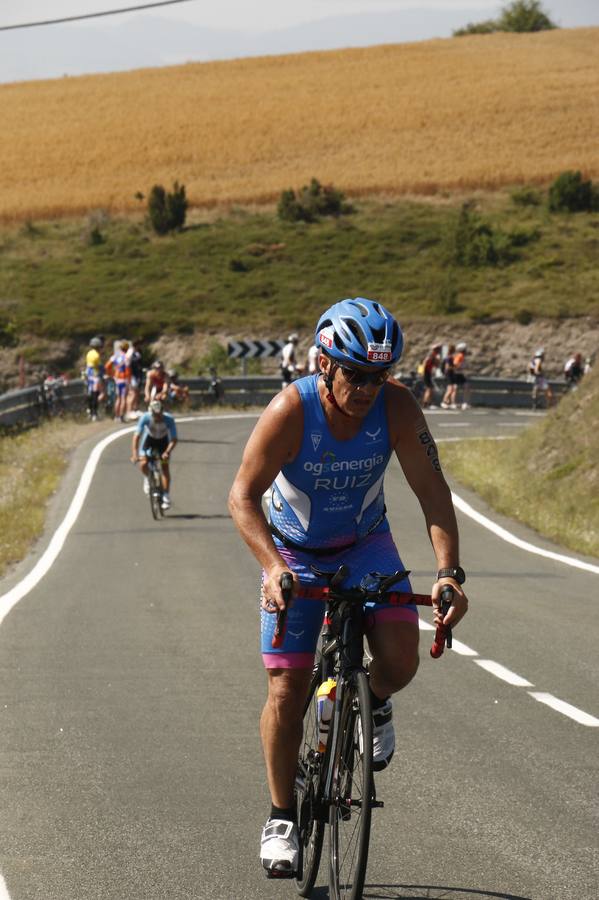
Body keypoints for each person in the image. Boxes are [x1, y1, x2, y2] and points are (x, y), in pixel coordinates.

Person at [228, 297, 468, 878]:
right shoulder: (291, 410)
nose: (367, 388)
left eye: (378, 375)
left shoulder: (398, 408)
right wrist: (270, 567)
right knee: (287, 691)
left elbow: (433, 494)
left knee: (401, 659)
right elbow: (242, 497)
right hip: (295, 555)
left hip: (365, 544)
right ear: (323, 366)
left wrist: (448, 574)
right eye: (355, 374)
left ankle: (373, 702)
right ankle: (282, 815)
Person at [131, 399, 178, 510]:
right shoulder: (145, 418)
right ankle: (148, 477)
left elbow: (174, 439)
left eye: (159, 415)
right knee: (143, 463)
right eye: (155, 416)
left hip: (163, 443)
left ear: (162, 412)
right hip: (149, 441)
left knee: (164, 466)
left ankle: (166, 495)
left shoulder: (169, 419)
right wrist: (134, 454)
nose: (157, 418)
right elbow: (136, 436)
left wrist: (167, 452)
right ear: (151, 413)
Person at [107, 340, 131, 422]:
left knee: (118, 398)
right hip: (124, 378)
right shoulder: (126, 357)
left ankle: (116, 416)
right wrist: (129, 379)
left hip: (117, 379)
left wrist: (111, 374)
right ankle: (121, 415)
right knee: (123, 398)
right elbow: (128, 369)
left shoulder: (115, 356)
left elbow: (107, 366)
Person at [85, 336, 105, 422]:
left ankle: (90, 410)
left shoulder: (89, 353)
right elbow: (99, 366)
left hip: (88, 374)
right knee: (95, 394)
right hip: (95, 374)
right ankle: (94, 413)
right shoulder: (97, 355)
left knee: (90, 393)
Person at [126, 339, 144, 418]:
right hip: (132, 375)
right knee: (132, 393)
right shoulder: (130, 352)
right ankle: (129, 411)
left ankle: (135, 409)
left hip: (138, 375)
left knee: (137, 393)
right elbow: (128, 364)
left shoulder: (138, 352)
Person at [421, 343, 441, 408]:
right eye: (437, 349)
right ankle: (426, 403)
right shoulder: (431, 355)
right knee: (429, 389)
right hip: (426, 373)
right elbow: (425, 362)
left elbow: (436, 365)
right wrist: (423, 372)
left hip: (428, 373)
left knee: (430, 389)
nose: (439, 350)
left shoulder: (434, 355)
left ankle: (427, 403)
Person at [453, 341, 470, 409]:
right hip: (457, 374)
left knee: (465, 387)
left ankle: (463, 403)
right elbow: (455, 364)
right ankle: (456, 403)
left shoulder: (461, 356)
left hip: (459, 374)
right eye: (465, 349)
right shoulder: (460, 356)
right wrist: (463, 366)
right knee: (456, 388)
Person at [440, 344, 457, 409]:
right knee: (450, 389)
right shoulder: (449, 357)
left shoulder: (449, 357)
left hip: (450, 375)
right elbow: (447, 368)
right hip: (449, 375)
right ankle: (444, 402)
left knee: (450, 389)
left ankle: (447, 402)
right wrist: (453, 367)